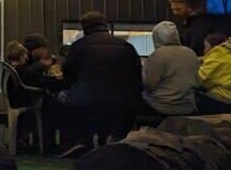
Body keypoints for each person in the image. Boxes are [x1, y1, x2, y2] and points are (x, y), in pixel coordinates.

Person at [58, 11, 143, 157]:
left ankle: (80, 141)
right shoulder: (126, 46)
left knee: (62, 98)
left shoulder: (78, 46)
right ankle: (115, 138)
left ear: (84, 28)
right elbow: (137, 75)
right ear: (105, 25)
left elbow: (68, 74)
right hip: (122, 102)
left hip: (86, 101)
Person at [139, 21, 198, 117]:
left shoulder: (157, 55)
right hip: (187, 106)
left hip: (160, 106)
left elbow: (149, 84)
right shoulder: (190, 53)